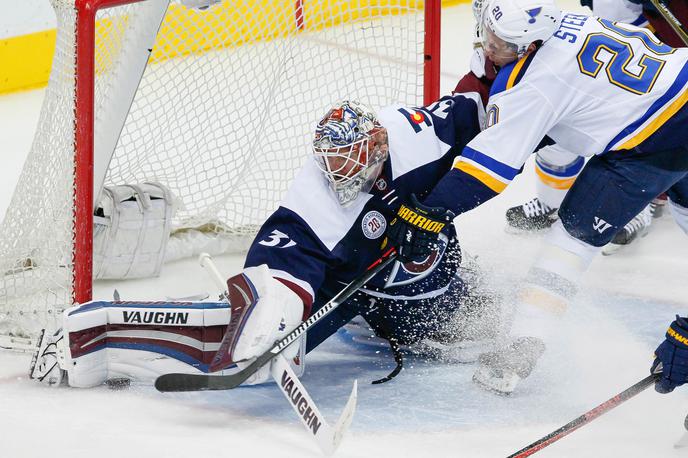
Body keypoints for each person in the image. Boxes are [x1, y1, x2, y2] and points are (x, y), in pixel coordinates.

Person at [29, 94, 502, 389]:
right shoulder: (316, 193)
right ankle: (96, 336)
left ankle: (438, 310)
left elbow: (485, 115)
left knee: (451, 321)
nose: (339, 174)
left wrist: (441, 209)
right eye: (330, 162)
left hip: (418, 284)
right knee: (249, 355)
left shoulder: (415, 136)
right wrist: (271, 301)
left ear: (377, 142)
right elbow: (284, 250)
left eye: (348, 159)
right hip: (349, 287)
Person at [407, 0, 688, 394]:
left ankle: (523, 344)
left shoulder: (537, 81)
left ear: (532, 45)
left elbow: (486, 171)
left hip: (661, 135)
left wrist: (430, 213)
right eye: (490, 36)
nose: (491, 48)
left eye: (503, 45)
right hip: (680, 80)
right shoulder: (559, 27)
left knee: (572, 234)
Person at [503, 0, 687, 253]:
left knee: (649, 125)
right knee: (571, 117)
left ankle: (642, 205)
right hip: (628, 38)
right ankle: (551, 201)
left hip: (665, 53)